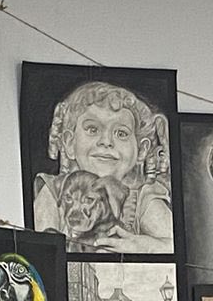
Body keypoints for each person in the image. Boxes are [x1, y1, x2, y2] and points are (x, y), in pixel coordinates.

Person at [30, 79, 175, 254]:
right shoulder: (54, 191)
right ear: (69, 142)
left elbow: (175, 246)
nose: (106, 141)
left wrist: (142, 247)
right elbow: (38, 251)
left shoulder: (143, 200)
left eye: (121, 133)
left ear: (141, 150)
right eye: (92, 129)